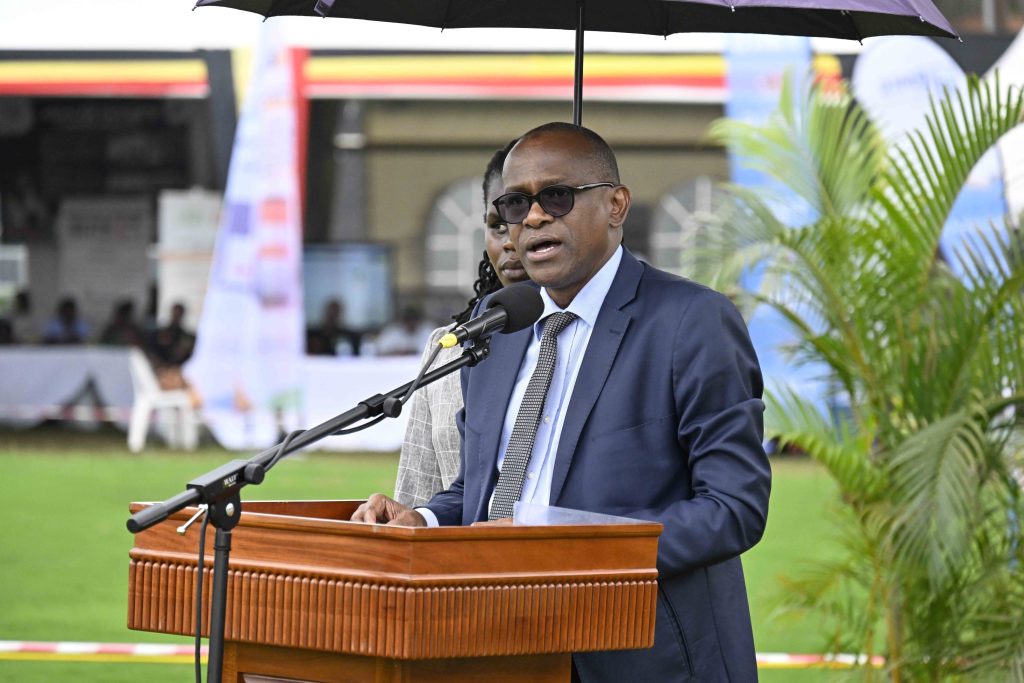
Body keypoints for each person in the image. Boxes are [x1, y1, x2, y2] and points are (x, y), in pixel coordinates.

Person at [352, 122, 771, 681]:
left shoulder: (691, 321)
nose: (532, 218)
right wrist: (423, 519)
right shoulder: (496, 327)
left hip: (643, 658)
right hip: (500, 647)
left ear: (616, 204)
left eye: (556, 196)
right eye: (513, 203)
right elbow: (487, 490)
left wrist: (560, 553)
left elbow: (733, 508)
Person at [394, 141, 529, 507]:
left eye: (523, 222)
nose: (512, 242)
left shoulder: (585, 339)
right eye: (498, 226)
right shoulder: (448, 348)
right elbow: (416, 493)